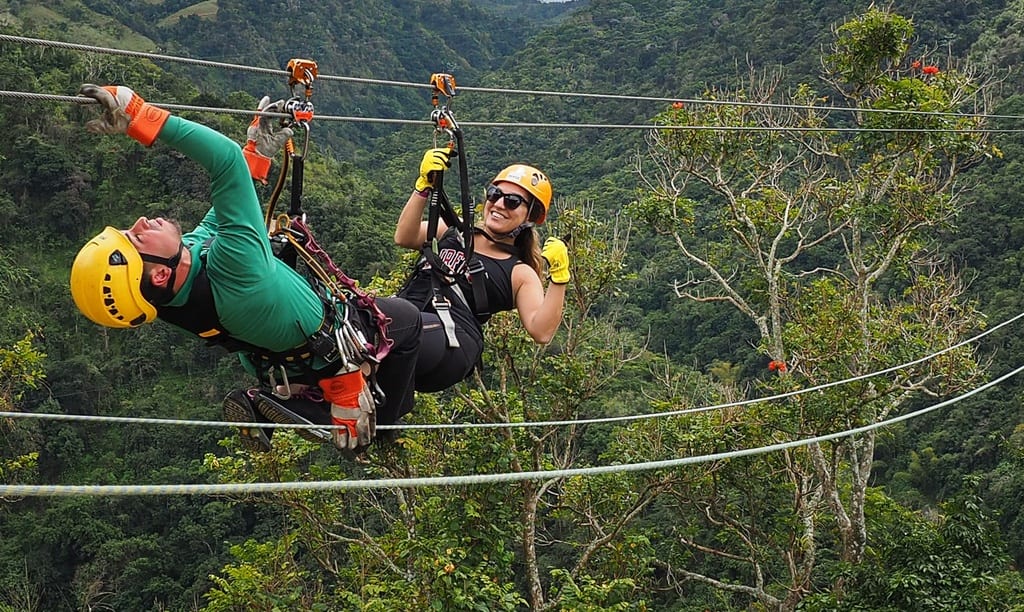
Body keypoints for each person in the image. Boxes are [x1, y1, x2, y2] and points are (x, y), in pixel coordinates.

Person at [69, 84, 422, 455]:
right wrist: (141, 116)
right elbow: (224, 161)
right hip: (329, 349)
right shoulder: (234, 269)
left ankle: (272, 403)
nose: (140, 222)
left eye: (130, 230)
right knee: (408, 319)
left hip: (278, 360)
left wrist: (255, 155)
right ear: (158, 274)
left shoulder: (177, 286)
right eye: (136, 239)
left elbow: (218, 219)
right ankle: (375, 423)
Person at [394, 147, 571, 392]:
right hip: (408, 324)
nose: (499, 204)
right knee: (345, 322)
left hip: (451, 340)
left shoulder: (519, 272)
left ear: (529, 216)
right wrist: (423, 187)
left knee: (385, 319)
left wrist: (559, 278)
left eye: (512, 201)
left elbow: (541, 331)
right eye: (494, 194)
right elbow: (404, 236)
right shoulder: (453, 230)